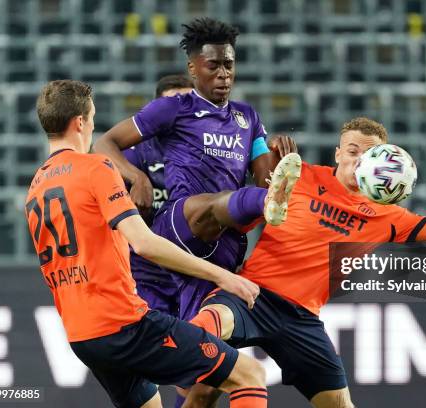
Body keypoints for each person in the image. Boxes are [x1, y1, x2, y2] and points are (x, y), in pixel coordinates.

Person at [188, 117, 426, 408]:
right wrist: (265, 159)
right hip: (253, 294)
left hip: (301, 318)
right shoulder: (300, 175)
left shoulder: (385, 215)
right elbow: (242, 194)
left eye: (368, 154)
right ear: (338, 152)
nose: (358, 160)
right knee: (206, 341)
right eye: (352, 150)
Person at [25, 79, 271, 408]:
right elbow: (144, 243)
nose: (94, 125)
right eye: (93, 117)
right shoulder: (95, 167)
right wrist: (223, 276)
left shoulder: (36, 186)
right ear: (80, 121)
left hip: (81, 335)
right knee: (250, 375)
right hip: (123, 325)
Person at [94, 18, 299, 407]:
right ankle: (274, 204)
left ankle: (274, 202)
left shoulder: (248, 118)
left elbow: (260, 177)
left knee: (202, 384)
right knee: (220, 203)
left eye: (229, 65)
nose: (224, 74)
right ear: (193, 68)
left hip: (221, 249)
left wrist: (274, 165)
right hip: (182, 223)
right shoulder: (174, 108)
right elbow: (105, 143)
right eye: (214, 66)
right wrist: (135, 177)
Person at [122, 74, 193, 316]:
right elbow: (104, 154)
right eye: (172, 104)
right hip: (149, 277)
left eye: (187, 103)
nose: (179, 112)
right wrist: (136, 177)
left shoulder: (211, 149)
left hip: (195, 272)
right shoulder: (136, 151)